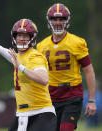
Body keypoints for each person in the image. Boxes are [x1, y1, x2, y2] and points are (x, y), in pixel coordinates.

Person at [0, 19, 56, 131]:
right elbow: (12, 56)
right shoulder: (20, 56)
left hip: (40, 113)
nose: (21, 39)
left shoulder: (35, 57)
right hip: (23, 113)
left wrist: (20, 67)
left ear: (32, 38)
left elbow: (44, 79)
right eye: (19, 35)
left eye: (25, 36)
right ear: (14, 37)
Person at [36, 3, 97, 131]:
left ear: (67, 21)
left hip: (72, 94)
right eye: (54, 19)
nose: (58, 22)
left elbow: (89, 71)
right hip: (50, 95)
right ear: (49, 21)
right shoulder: (41, 46)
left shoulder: (77, 43)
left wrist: (91, 100)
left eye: (61, 19)